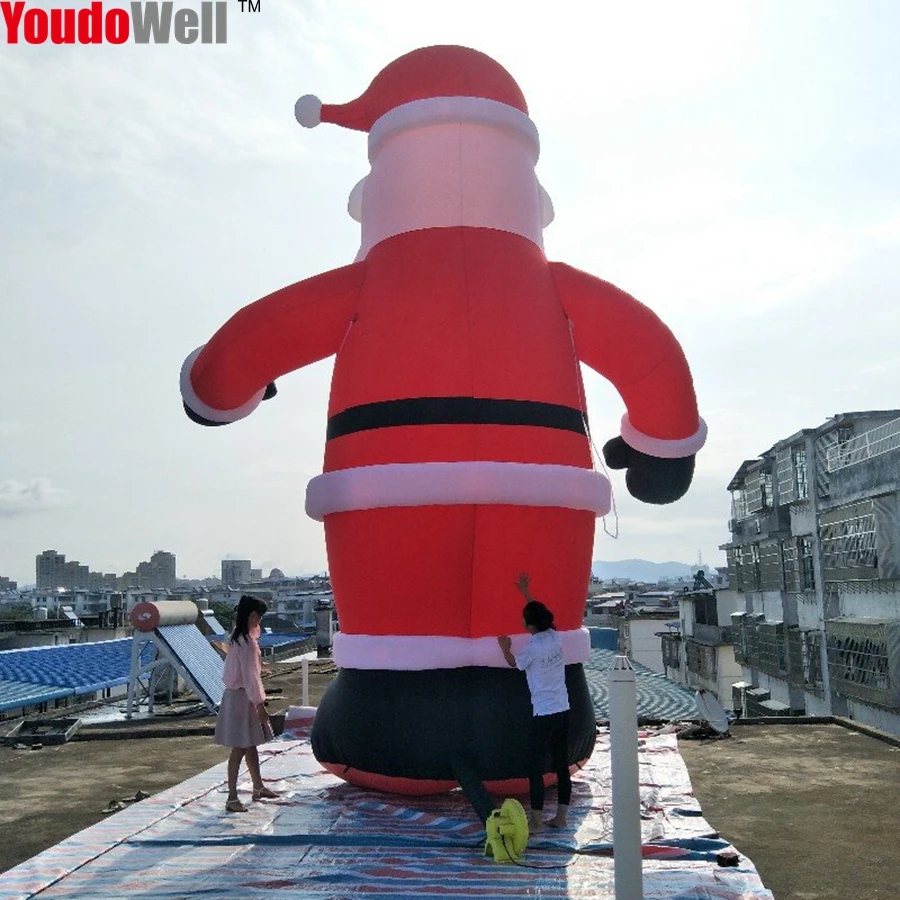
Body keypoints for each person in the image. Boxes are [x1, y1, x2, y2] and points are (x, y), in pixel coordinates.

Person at [497, 573, 571, 833]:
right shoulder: (554, 638)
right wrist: (526, 593)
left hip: (544, 713)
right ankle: (561, 816)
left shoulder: (532, 648)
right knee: (562, 765)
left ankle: (537, 821)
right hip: (563, 709)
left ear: (529, 625)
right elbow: (542, 616)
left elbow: (514, 664)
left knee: (534, 767)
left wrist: (504, 647)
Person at [215, 594, 280, 812]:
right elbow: (251, 677)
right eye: (259, 616)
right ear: (253, 615)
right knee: (240, 747)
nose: (260, 620)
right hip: (244, 698)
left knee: (250, 743)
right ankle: (232, 797)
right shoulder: (248, 643)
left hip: (235, 696)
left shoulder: (237, 637)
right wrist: (260, 705)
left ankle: (258, 786)